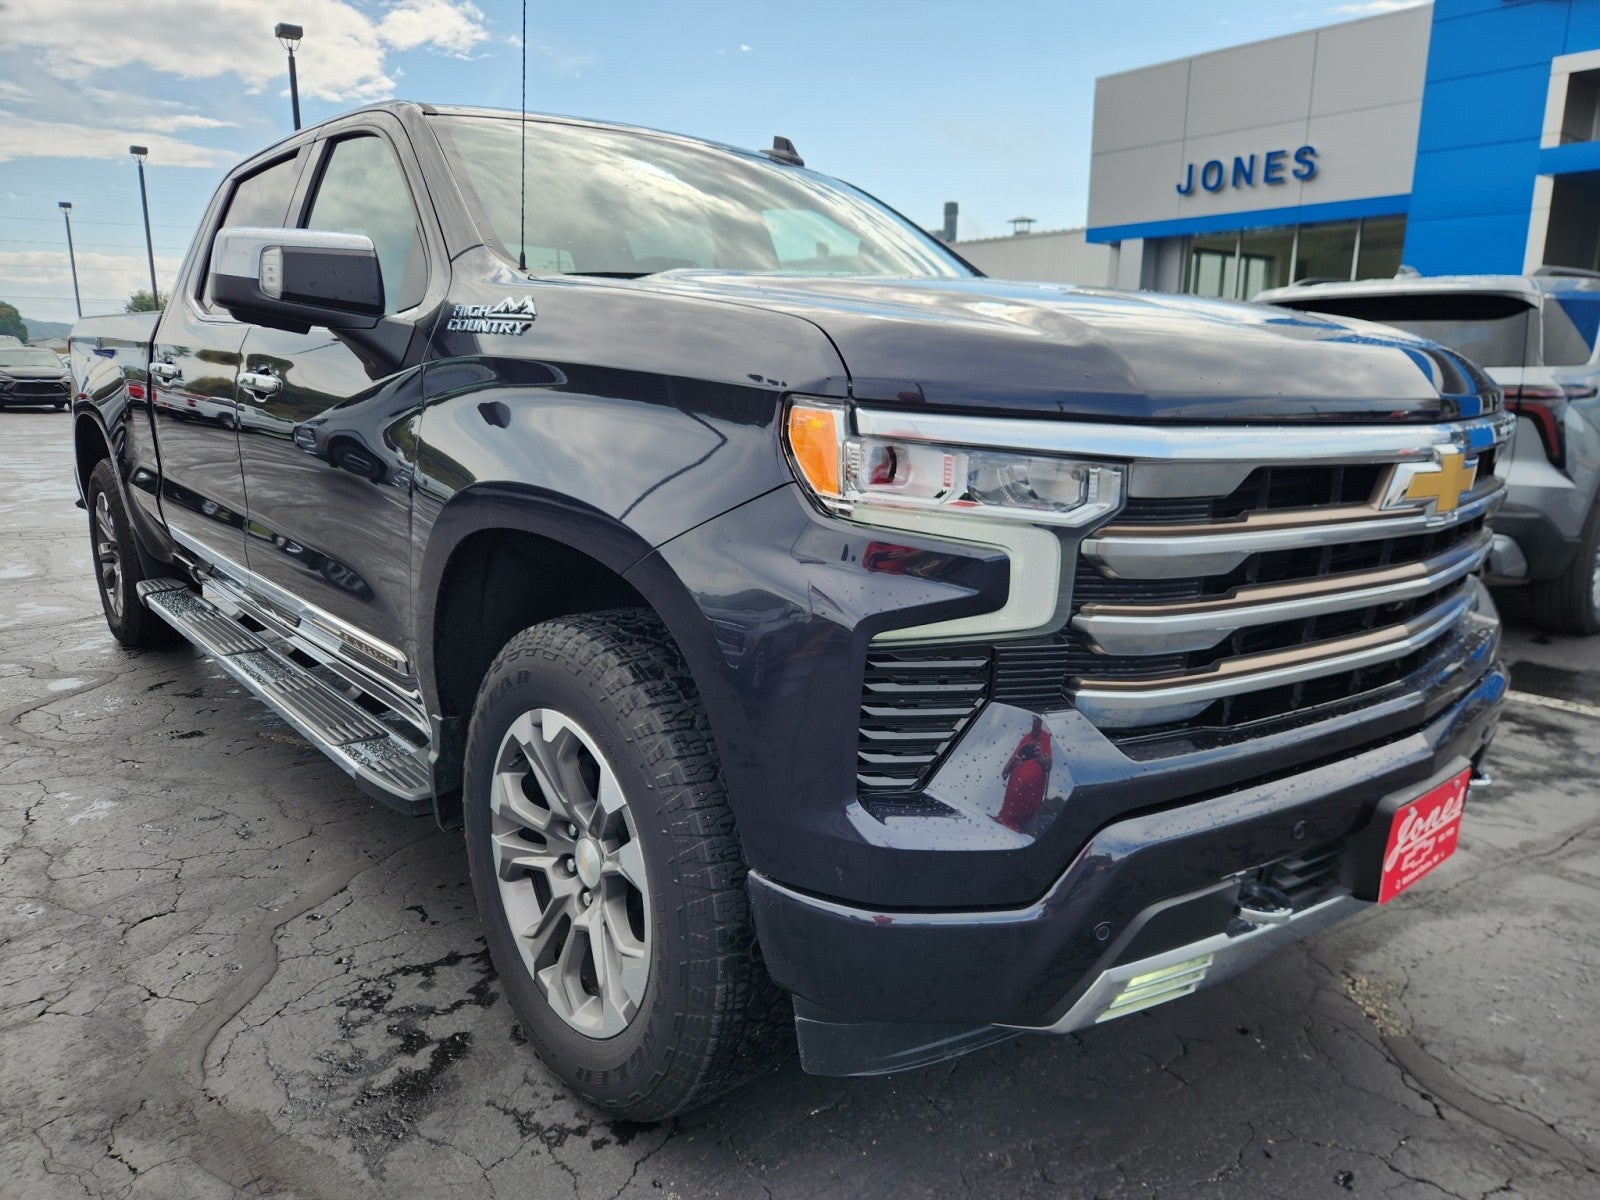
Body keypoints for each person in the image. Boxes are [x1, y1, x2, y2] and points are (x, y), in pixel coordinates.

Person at [997, 715, 1053, 833]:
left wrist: (1041, 759)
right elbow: (1004, 773)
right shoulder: (1025, 739)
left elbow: (1049, 764)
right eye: (1034, 718)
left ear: (1042, 720)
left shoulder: (1047, 738)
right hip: (1007, 814)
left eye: (1039, 718)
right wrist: (1014, 761)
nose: (1036, 721)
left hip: (1028, 816)